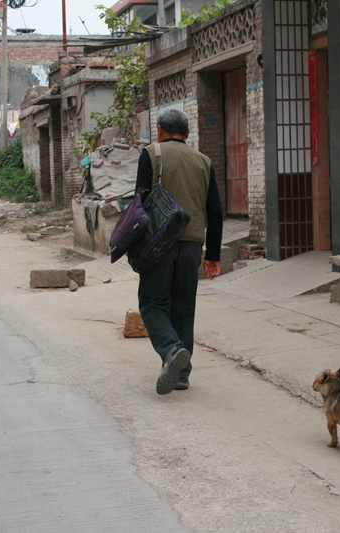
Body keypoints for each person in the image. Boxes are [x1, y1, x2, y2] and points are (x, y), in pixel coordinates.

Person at [135, 108, 223, 395]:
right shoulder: (204, 161)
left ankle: (172, 351)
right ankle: (182, 373)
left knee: (152, 302)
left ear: (160, 130)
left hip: (159, 242)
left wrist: (131, 245)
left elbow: (140, 200)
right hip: (193, 243)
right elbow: (215, 211)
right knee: (183, 307)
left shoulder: (151, 153)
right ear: (187, 134)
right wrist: (212, 255)